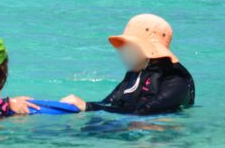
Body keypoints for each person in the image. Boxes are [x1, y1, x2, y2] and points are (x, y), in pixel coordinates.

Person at [61, 14, 195, 115]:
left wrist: (88, 106)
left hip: (158, 141)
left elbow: (144, 111)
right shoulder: (134, 75)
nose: (123, 51)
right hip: (130, 128)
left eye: (129, 46)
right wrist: (78, 105)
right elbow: (109, 103)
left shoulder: (176, 81)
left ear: (148, 49)